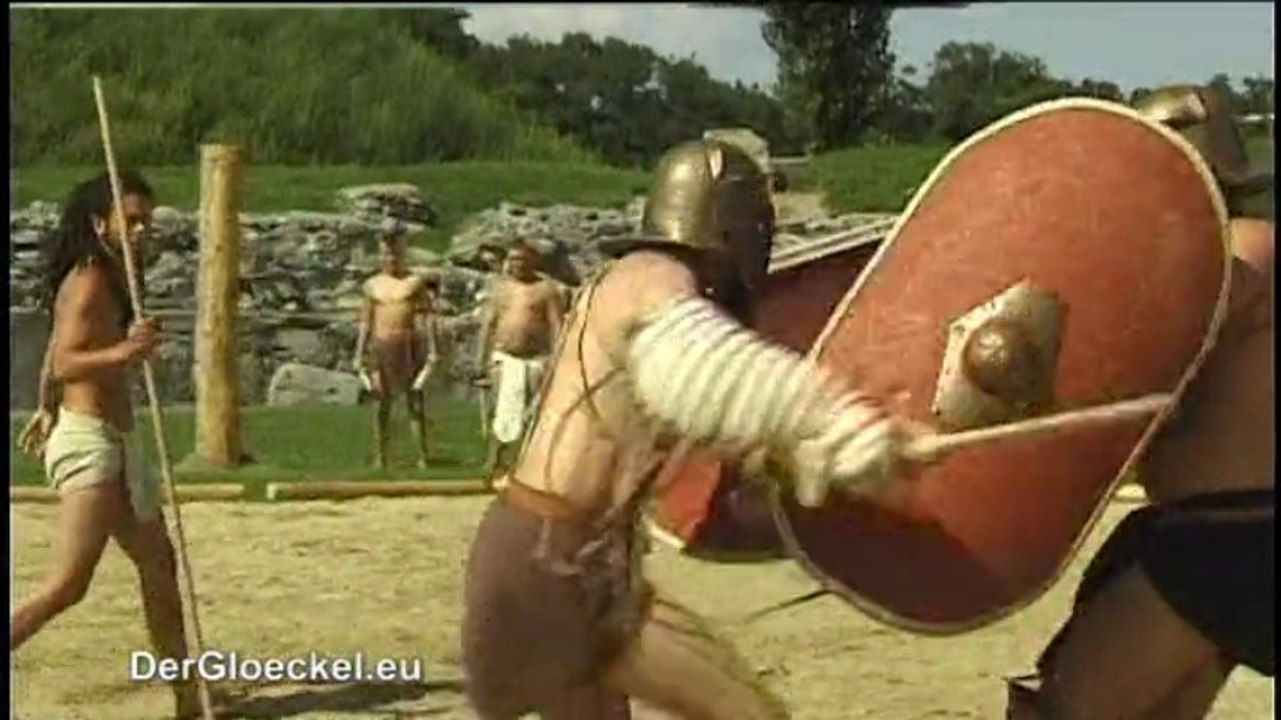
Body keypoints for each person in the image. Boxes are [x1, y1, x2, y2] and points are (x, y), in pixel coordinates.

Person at [460, 139, 928, 720]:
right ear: (738, 230)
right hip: (557, 563)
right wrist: (840, 425)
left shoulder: (628, 288)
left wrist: (822, 459)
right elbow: (705, 370)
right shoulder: (649, 278)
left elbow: (727, 439)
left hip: (553, 558)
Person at [1006, 84, 1275, 719]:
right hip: (1204, 534)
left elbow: (1162, 329)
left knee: (1067, 711)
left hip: (1230, 540)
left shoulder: (1247, 244)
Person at [10, 170, 213, 719]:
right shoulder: (90, 279)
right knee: (68, 585)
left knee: (158, 563)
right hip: (91, 442)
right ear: (102, 224)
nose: (144, 229)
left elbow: (59, 350)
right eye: (133, 219)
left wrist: (44, 406)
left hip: (117, 440)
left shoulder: (117, 275)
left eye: (147, 218)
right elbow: (64, 359)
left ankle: (187, 696)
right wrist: (126, 353)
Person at [473, 238, 567, 486]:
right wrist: (479, 360)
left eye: (522, 260)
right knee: (503, 412)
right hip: (505, 358)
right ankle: (493, 461)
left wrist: (558, 360)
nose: (516, 265)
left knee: (530, 415)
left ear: (532, 261)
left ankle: (525, 464)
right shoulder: (501, 289)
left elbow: (556, 326)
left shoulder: (546, 289)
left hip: (534, 360)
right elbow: (488, 325)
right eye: (513, 259)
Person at [353, 230, 440, 469]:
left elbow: (428, 316)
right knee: (380, 401)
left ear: (402, 254)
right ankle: (381, 455)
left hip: (408, 344)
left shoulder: (414, 282)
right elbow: (365, 321)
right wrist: (358, 353)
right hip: (381, 344)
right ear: (380, 256)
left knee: (414, 399)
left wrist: (432, 349)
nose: (391, 258)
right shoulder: (372, 285)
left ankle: (423, 455)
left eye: (395, 253)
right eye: (386, 254)